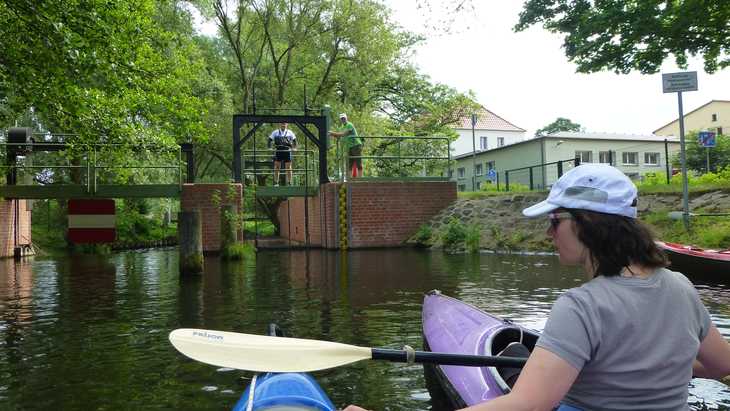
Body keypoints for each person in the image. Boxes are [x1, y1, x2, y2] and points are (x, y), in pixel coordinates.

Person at [343, 164, 730, 411]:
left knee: (517, 359)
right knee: (516, 350)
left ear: (586, 222)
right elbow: (721, 365)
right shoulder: (681, 286)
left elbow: (529, 405)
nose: (548, 233)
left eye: (555, 221)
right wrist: (652, 370)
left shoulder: (581, 306)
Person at [328, 113, 363, 178]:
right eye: (341, 118)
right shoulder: (342, 127)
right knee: (349, 163)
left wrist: (332, 133)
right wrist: (332, 135)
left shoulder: (349, 125)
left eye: (344, 118)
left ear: (346, 118)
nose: (343, 119)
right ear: (340, 120)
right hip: (349, 147)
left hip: (355, 145)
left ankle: (360, 178)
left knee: (358, 162)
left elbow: (344, 134)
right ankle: (349, 179)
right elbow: (339, 136)